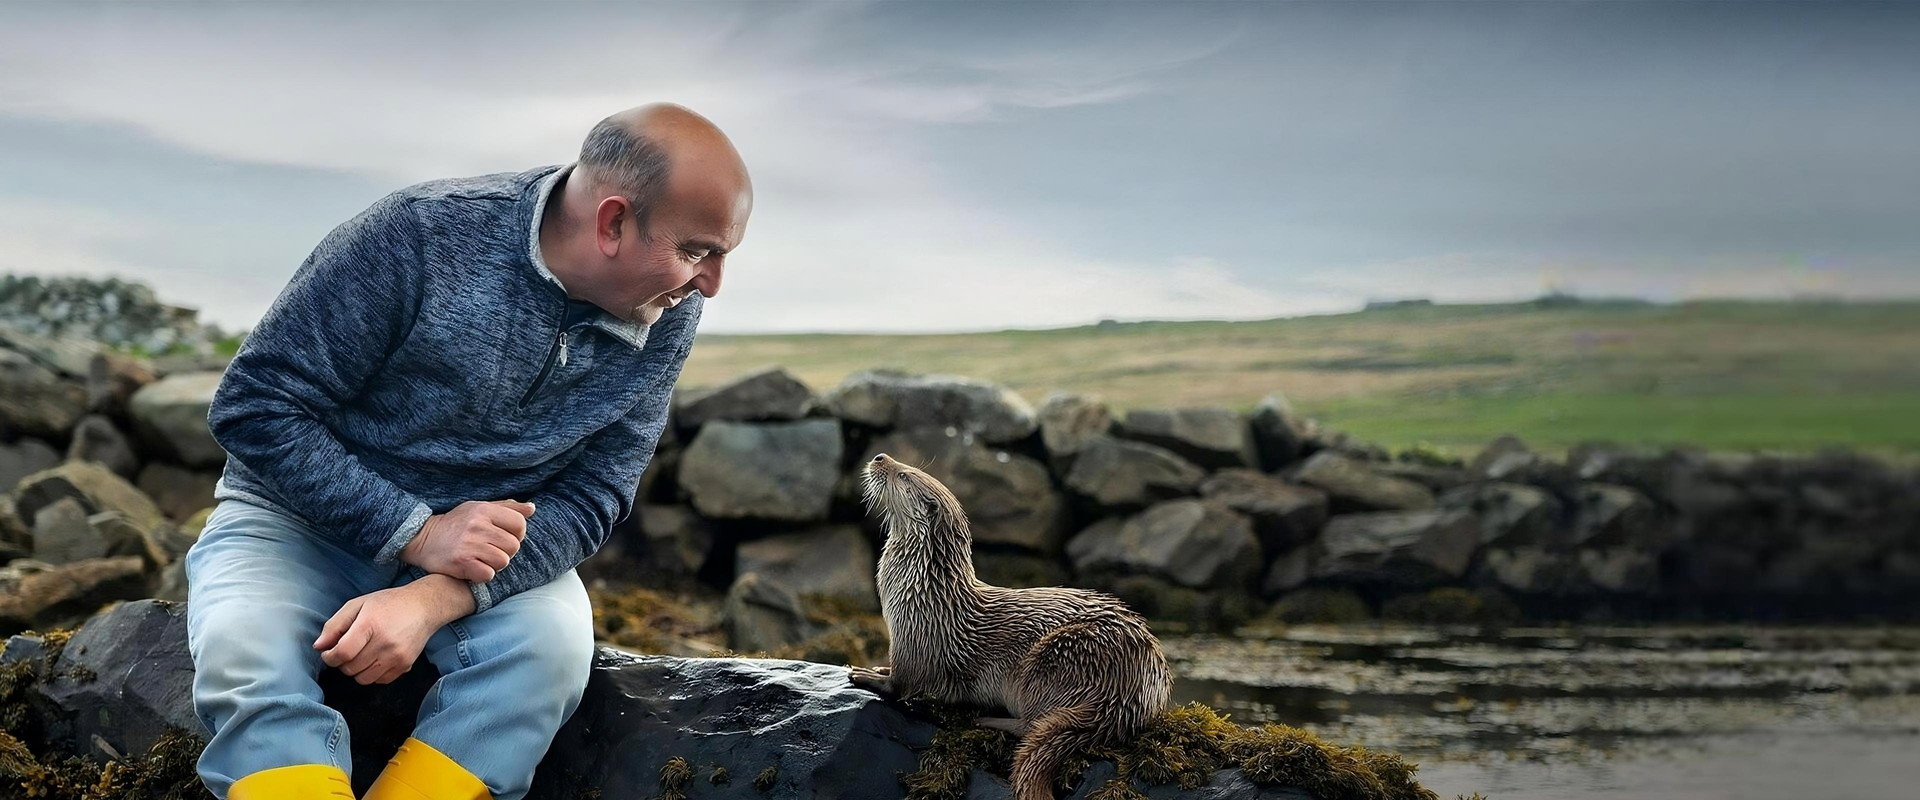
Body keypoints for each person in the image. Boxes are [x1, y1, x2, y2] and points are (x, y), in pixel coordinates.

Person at [185, 103, 751, 800]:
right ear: (612, 222)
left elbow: (598, 492)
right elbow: (254, 406)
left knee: (548, 656)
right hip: (295, 524)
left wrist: (438, 595)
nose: (710, 283)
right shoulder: (417, 235)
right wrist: (418, 534)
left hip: (492, 553)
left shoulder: (669, 306)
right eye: (697, 251)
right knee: (244, 652)